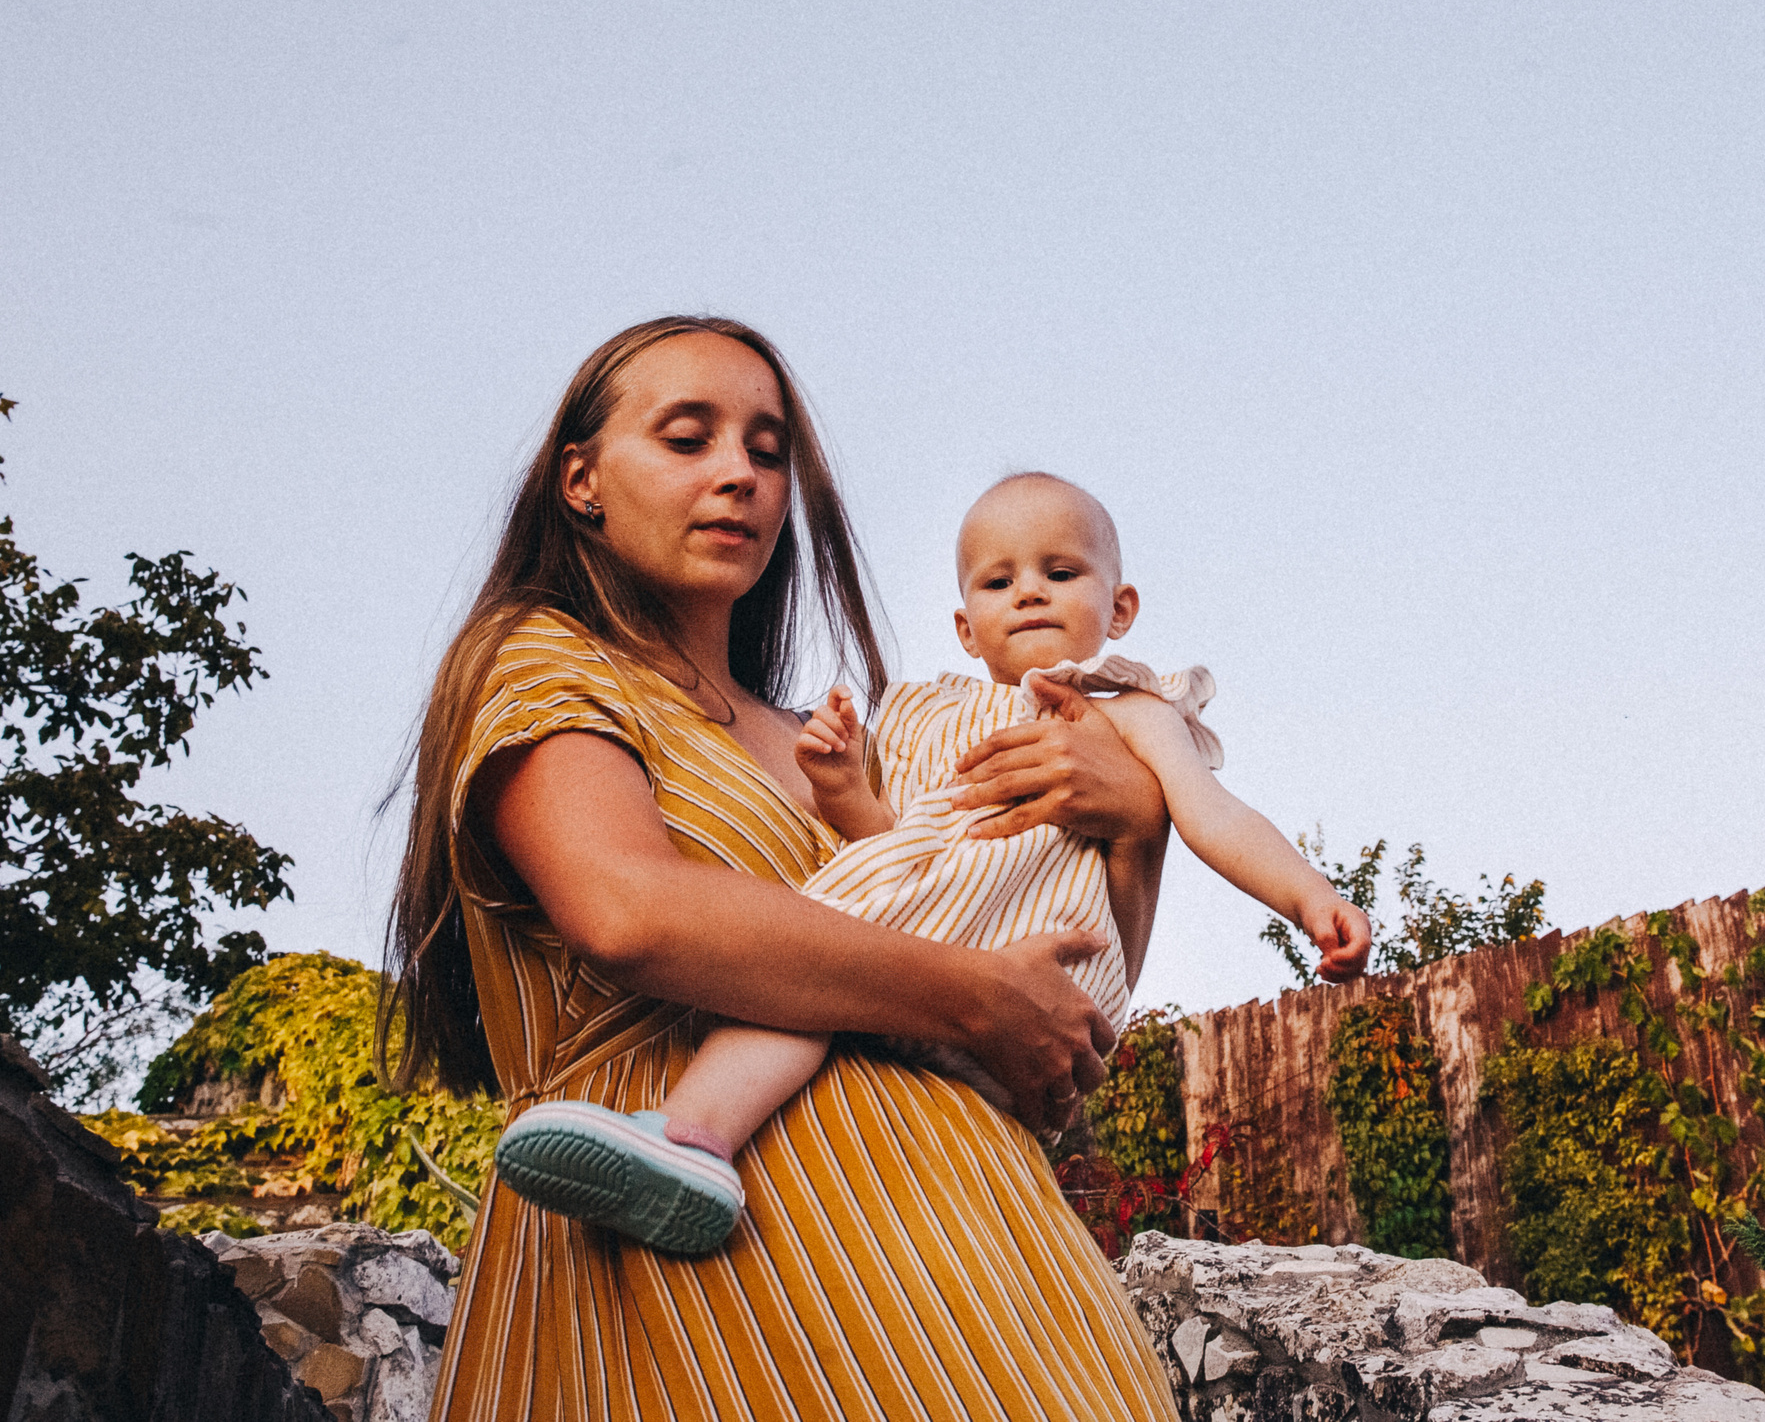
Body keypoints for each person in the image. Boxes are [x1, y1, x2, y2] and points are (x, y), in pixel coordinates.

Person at [385, 316, 1182, 1418]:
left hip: (986, 1252)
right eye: (687, 439)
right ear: (581, 481)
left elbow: (1071, 1002)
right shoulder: (543, 659)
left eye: (767, 451)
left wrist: (1138, 829)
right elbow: (628, 910)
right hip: (698, 1256)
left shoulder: (845, 743)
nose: (741, 476)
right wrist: (971, 996)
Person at [492, 471, 1373, 1253]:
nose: (1028, 592)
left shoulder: (1126, 707)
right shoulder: (922, 714)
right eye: (999, 580)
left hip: (1040, 963)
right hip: (951, 949)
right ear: (964, 624)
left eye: (1059, 572)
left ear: (1120, 606)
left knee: (820, 950)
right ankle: (696, 1142)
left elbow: (1210, 811)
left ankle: (688, 1133)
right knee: (816, 965)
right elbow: (893, 840)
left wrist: (1308, 897)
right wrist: (842, 789)